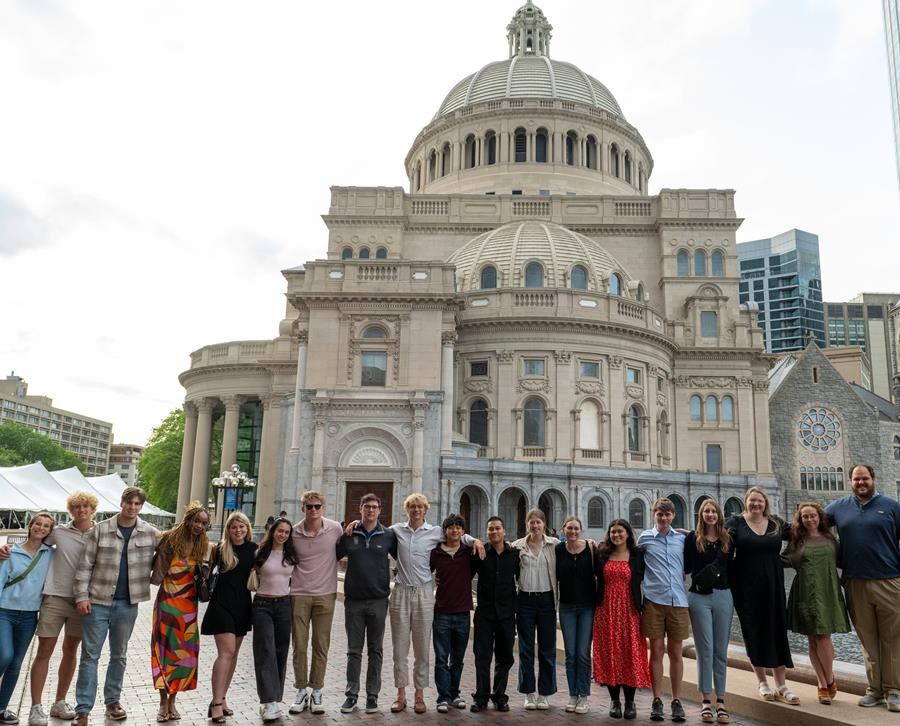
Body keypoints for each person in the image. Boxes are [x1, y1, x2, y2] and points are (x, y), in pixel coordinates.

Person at [344, 492, 483, 715]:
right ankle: (400, 695)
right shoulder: (395, 531)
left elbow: (456, 536)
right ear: (407, 510)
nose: (416, 510)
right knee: (399, 649)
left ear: (425, 510)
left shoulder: (435, 532)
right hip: (400, 593)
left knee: (421, 649)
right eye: (412, 507)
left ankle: (419, 695)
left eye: (420, 507)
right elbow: (373, 527)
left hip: (425, 594)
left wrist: (473, 539)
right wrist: (354, 524)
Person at [73, 486, 160, 726]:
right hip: (97, 601)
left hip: (127, 605)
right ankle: (83, 709)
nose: (132, 507)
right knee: (90, 656)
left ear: (140, 507)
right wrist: (82, 596)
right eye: (129, 503)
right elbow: (85, 566)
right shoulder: (100, 530)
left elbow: (169, 551)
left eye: (137, 504)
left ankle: (113, 702)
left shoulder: (150, 533)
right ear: (121, 502)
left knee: (119, 656)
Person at [8, 491, 95, 726]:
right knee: (44, 650)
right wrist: (6, 551)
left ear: (92, 510)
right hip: (54, 598)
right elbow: (33, 545)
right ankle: (36, 707)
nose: (81, 510)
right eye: (77, 507)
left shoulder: (100, 533)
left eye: (86, 507)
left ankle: (60, 701)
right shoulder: (59, 532)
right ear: (71, 510)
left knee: (71, 650)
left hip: (81, 600)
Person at [825, 464, 900, 711]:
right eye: (856, 479)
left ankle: (894, 690)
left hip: (889, 581)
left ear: (873, 479)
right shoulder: (838, 508)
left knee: (893, 639)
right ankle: (874, 690)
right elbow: (809, 522)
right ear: (851, 482)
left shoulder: (891, 507)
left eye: (864, 478)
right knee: (867, 640)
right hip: (855, 582)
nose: (861, 483)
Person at [726, 486, 797, 705]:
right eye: (752, 501)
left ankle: (782, 684)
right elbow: (716, 540)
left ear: (765, 503)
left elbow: (800, 533)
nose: (756, 504)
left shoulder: (775, 523)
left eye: (760, 501)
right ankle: (762, 682)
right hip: (746, 586)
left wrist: (789, 559)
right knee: (753, 630)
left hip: (773, 584)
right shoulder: (735, 523)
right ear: (745, 502)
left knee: (776, 629)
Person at [336, 493, 398, 714]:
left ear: (379, 510)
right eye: (367, 507)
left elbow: (407, 558)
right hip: (353, 601)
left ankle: (372, 696)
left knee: (376, 650)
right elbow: (329, 556)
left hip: (379, 601)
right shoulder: (349, 534)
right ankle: (351, 695)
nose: (370, 510)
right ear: (360, 509)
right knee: (354, 651)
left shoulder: (388, 535)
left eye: (374, 507)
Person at [784, 501, 849, 705]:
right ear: (800, 520)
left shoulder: (832, 539)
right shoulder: (797, 541)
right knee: (812, 639)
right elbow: (781, 560)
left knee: (824, 638)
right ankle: (822, 684)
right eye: (805, 517)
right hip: (805, 591)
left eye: (813, 515)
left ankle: (829, 679)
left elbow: (845, 561)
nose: (810, 519)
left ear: (820, 517)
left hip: (828, 591)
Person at [149, 501, 209, 722]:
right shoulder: (170, 539)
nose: (199, 526)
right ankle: (163, 702)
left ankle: (173, 701)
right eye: (196, 521)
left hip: (188, 608)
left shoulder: (204, 546)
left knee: (182, 655)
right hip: (167, 604)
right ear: (188, 520)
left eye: (203, 523)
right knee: (164, 652)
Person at [289, 490, 343, 715]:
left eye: (317, 506)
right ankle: (301, 689)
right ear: (302, 508)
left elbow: (350, 541)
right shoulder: (293, 533)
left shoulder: (335, 529)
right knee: (299, 646)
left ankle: (317, 690)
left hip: (326, 594)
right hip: (299, 594)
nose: (313, 510)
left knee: (321, 645)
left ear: (323, 508)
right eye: (309, 506)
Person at [200, 510, 257, 723]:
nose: (238, 530)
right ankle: (215, 703)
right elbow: (203, 571)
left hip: (242, 606)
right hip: (221, 605)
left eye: (241, 526)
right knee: (226, 652)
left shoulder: (254, 550)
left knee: (233, 655)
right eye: (234, 527)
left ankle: (223, 698)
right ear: (228, 530)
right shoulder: (220, 549)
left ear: (247, 528)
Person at [0, 512, 54, 725]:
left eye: (46, 526)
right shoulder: (10, 552)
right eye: (38, 524)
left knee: (15, 663)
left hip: (30, 615)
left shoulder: (50, 554)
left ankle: (2, 708)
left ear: (50, 531)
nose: (41, 528)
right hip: (4, 611)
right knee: (5, 655)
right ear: (30, 526)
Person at [593, 518, 649, 721]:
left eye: (620, 532)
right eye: (613, 532)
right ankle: (614, 700)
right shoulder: (602, 554)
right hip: (606, 610)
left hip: (629, 611)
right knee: (610, 653)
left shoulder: (637, 555)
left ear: (628, 533)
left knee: (629, 652)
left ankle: (630, 702)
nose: (616, 535)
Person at [638, 498, 688, 722]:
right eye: (660, 514)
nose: (664, 518)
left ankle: (677, 700)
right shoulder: (645, 538)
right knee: (656, 651)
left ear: (673, 516)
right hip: (654, 601)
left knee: (676, 653)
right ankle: (656, 699)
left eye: (667, 514)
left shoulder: (682, 539)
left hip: (678, 601)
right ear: (653, 514)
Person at [684, 499, 734, 724]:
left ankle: (721, 700)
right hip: (699, 597)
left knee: (720, 651)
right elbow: (684, 567)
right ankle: (706, 699)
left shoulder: (728, 539)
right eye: (706, 511)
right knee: (705, 649)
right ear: (701, 514)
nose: (710, 514)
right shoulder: (691, 539)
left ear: (719, 515)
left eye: (714, 511)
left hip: (723, 595)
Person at [470, 516, 519, 713]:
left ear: (504, 531)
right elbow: (465, 573)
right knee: (482, 656)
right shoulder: (480, 553)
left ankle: (500, 696)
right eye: (491, 529)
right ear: (487, 532)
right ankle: (481, 696)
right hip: (485, 613)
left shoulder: (514, 554)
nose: (494, 532)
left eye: (498, 528)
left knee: (505, 657)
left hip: (507, 614)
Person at [252, 517, 298, 722]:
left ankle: (274, 699)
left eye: (287, 532)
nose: (283, 535)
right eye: (280, 531)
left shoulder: (291, 555)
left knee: (280, 651)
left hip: (284, 605)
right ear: (273, 531)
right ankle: (268, 701)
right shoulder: (260, 552)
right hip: (262, 605)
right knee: (265, 651)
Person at [512, 507, 558, 710]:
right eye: (532, 521)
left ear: (544, 524)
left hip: (547, 600)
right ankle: (529, 692)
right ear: (526, 524)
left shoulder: (554, 545)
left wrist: (590, 543)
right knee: (526, 649)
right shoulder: (516, 547)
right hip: (525, 601)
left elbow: (576, 547)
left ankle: (545, 693)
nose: (535, 525)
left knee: (547, 649)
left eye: (538, 521)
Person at [429, 513, 475, 712]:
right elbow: (425, 573)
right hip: (441, 612)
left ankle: (455, 694)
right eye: (451, 527)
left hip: (463, 612)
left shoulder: (469, 552)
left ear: (463, 531)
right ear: (445, 531)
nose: (454, 530)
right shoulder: (436, 553)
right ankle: (443, 697)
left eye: (458, 527)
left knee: (457, 659)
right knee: (441, 658)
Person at [555, 515, 595, 714]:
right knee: (570, 654)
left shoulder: (591, 548)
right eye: (569, 528)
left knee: (582, 653)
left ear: (581, 530)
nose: (573, 531)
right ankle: (573, 694)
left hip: (588, 607)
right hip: (567, 607)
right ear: (563, 530)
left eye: (576, 528)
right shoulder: (558, 550)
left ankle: (584, 695)